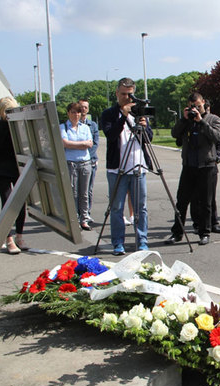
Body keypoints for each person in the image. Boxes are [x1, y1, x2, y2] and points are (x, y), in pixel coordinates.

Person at [101, 77, 153, 255]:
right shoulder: (109, 113)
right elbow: (111, 135)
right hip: (117, 168)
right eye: (123, 94)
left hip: (138, 165)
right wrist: (123, 116)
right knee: (116, 207)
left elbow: (149, 139)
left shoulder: (140, 112)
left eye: (130, 94)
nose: (127, 98)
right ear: (117, 94)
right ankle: (118, 243)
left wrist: (144, 127)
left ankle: (142, 241)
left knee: (141, 207)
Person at [165, 92, 220, 246]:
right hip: (189, 165)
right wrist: (184, 119)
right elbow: (174, 133)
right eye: (192, 106)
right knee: (181, 201)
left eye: (198, 106)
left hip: (207, 166)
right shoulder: (187, 120)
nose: (195, 109)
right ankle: (177, 233)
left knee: (205, 202)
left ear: (203, 103)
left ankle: (205, 233)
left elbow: (216, 137)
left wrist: (201, 121)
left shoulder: (213, 119)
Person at [0, 96, 27, 254]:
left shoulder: (17, 124)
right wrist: (5, 125)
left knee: (21, 202)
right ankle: (8, 238)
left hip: (16, 167)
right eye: (7, 111)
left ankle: (19, 236)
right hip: (0, 168)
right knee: (8, 201)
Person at [190, 99, 220, 234]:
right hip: (193, 164)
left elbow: (217, 140)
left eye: (203, 107)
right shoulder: (190, 120)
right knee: (195, 197)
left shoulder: (213, 120)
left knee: (210, 197)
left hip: (209, 163)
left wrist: (218, 155)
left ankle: (213, 223)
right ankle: (197, 223)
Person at [60, 102, 93, 231]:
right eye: (73, 112)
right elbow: (65, 143)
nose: (76, 115)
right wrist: (82, 144)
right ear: (68, 113)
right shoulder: (63, 127)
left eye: (78, 112)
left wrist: (76, 144)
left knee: (84, 193)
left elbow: (90, 144)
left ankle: (84, 218)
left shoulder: (85, 127)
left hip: (85, 162)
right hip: (71, 163)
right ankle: (73, 219)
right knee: (73, 192)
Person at [78, 98, 99, 221]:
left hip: (90, 160)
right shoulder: (70, 124)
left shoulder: (93, 125)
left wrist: (85, 153)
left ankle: (86, 213)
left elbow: (95, 143)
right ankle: (77, 212)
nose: (83, 109)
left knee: (88, 189)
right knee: (76, 189)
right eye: (81, 107)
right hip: (75, 161)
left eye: (86, 107)